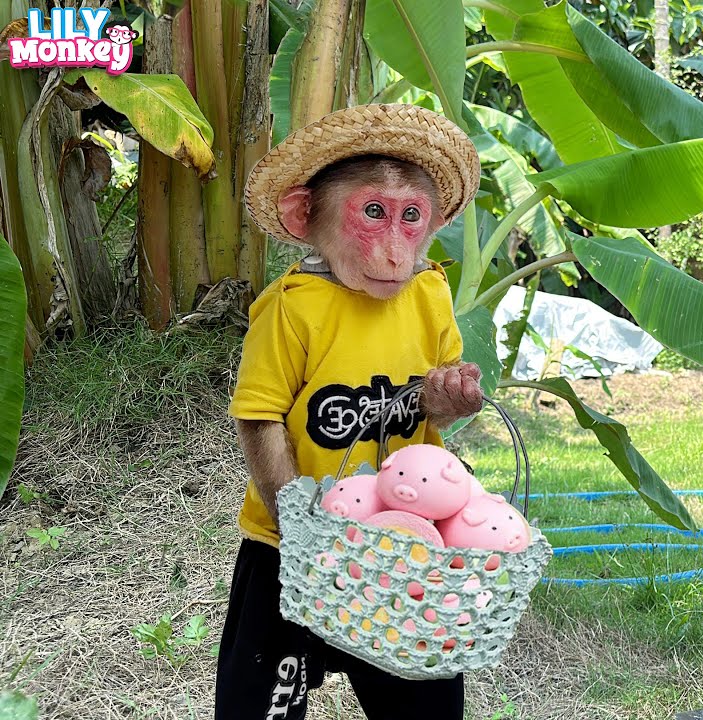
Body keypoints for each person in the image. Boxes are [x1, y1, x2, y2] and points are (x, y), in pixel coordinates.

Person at [216, 104, 484, 719]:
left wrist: (447, 400)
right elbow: (259, 417)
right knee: (258, 705)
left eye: (410, 217)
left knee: (426, 705)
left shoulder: (429, 293)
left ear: (435, 223)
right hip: (290, 546)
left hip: (402, 542)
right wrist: (300, 528)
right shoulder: (292, 307)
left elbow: (428, 412)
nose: (395, 253)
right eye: (373, 214)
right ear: (305, 215)